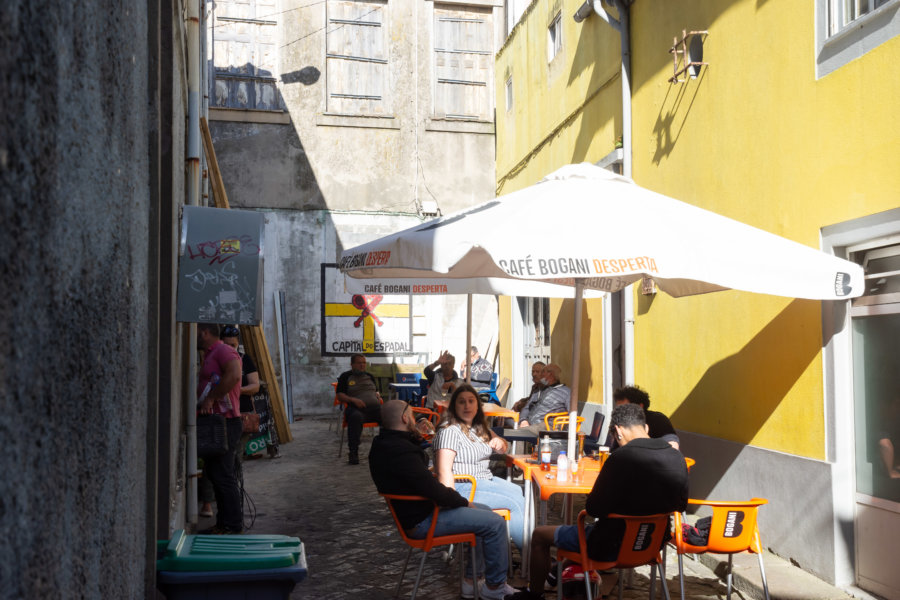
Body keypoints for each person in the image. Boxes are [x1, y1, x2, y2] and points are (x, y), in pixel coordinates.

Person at [505, 403, 689, 600]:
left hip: (609, 546)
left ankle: (534, 594)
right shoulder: (677, 457)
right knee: (584, 535)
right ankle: (556, 574)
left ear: (617, 431)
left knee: (540, 535)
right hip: (651, 545)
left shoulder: (621, 458)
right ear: (646, 428)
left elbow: (593, 508)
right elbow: (681, 505)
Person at [369, 400, 517, 600]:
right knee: (496, 523)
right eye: (412, 415)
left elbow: (420, 479)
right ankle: (495, 588)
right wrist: (464, 503)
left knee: (486, 512)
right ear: (405, 418)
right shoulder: (401, 451)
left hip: (419, 512)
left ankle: (471, 582)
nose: (414, 419)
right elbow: (435, 490)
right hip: (423, 521)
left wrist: (417, 439)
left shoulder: (384, 444)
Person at [434, 384, 526, 552]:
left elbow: (502, 445)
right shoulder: (449, 430)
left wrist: (500, 443)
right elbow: (443, 470)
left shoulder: (478, 427)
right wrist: (452, 503)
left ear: (478, 405)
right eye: (462, 402)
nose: (467, 406)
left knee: (519, 491)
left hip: (484, 480)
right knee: (517, 503)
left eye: (471, 401)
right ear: (454, 406)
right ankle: (530, 555)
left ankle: (508, 548)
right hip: (463, 486)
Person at [196, 322, 244, 534]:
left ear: (205, 333)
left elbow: (234, 375)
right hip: (217, 422)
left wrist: (211, 398)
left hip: (226, 421)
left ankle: (233, 525)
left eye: (197, 333)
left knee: (223, 475)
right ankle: (223, 523)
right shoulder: (211, 353)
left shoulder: (224, 350)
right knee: (216, 473)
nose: (195, 336)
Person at [222, 325, 261, 459]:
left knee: (236, 454)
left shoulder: (245, 359)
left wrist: (236, 390)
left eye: (233, 345)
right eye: (226, 345)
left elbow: (255, 386)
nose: (230, 348)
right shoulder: (216, 359)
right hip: (221, 414)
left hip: (242, 413)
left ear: (238, 343)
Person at [336, 354, 382, 465]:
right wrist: (353, 400)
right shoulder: (345, 376)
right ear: (352, 364)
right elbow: (339, 395)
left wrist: (377, 396)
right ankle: (353, 452)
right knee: (356, 417)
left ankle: (387, 449)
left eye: (364, 363)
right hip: (356, 409)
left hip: (375, 409)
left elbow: (376, 391)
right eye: (359, 363)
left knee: (390, 417)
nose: (362, 365)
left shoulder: (370, 376)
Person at [605, 385, 679, 450]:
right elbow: (610, 449)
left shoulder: (658, 420)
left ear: (640, 406)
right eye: (618, 408)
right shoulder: (619, 422)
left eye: (625, 408)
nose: (620, 413)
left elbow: (673, 447)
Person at [517, 363, 570, 434]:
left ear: (550, 374)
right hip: (530, 423)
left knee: (518, 432)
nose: (540, 375)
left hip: (547, 426)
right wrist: (523, 420)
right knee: (506, 424)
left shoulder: (566, 392)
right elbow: (527, 407)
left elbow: (573, 413)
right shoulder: (539, 389)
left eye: (542, 372)